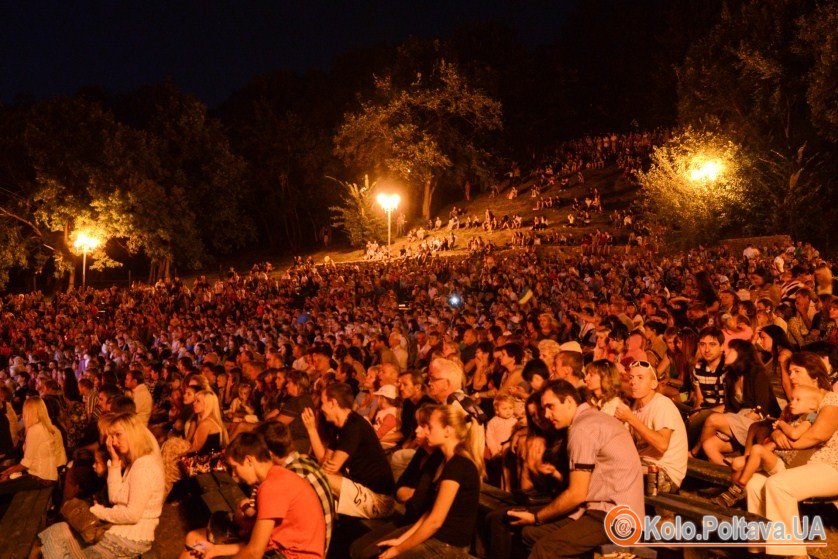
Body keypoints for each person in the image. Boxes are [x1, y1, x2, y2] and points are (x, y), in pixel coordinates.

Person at [489, 380, 644, 559]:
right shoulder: (591, 418)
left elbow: (577, 493)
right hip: (599, 509)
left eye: (550, 407)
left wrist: (537, 517)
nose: (546, 414)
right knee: (530, 535)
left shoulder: (582, 428)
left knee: (544, 550)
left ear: (569, 401)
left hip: (614, 517)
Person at [358, 404, 483, 559]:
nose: (424, 432)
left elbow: (435, 521)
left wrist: (399, 550)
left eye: (429, 427)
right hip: (436, 536)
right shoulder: (446, 461)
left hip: (447, 544)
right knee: (373, 551)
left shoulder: (459, 465)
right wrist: (401, 541)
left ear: (448, 431)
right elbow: (428, 513)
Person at [181, 431, 326, 559]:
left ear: (249, 460)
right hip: (282, 553)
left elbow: (254, 552)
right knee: (196, 547)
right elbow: (259, 544)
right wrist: (215, 550)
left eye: (235, 468)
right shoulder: (279, 477)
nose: (234, 475)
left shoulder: (272, 486)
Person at [40, 412, 165, 559]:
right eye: (111, 437)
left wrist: (100, 512)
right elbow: (114, 498)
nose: (113, 442)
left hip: (131, 538)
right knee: (56, 531)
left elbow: (132, 515)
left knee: (57, 543)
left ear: (133, 433)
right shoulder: (135, 462)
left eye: (118, 435)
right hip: (122, 531)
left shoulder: (144, 466)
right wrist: (115, 460)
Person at [745, 383, 838, 559]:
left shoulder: (831, 402)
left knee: (778, 485)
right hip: (811, 464)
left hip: (832, 464)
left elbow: (813, 436)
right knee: (755, 483)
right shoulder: (804, 404)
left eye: (796, 371)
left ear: (813, 377)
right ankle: (761, 550)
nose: (791, 377)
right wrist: (777, 433)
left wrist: (783, 436)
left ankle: (795, 554)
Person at [714, 385, 823, 507]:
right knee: (737, 464)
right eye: (792, 399)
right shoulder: (793, 416)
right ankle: (733, 497)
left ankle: (740, 486)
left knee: (757, 449)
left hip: (788, 465)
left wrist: (781, 424)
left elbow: (794, 433)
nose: (792, 403)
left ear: (812, 405)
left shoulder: (811, 416)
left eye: (798, 400)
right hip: (776, 458)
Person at [302, 382, 395, 519]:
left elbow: (328, 471)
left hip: (378, 499)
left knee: (314, 477)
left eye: (322, 403)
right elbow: (324, 462)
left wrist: (322, 467)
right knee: (305, 460)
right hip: (358, 487)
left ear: (332, 403)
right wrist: (311, 429)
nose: (321, 408)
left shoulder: (353, 426)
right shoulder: (339, 426)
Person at [692, 339, 781, 463]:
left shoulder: (756, 373)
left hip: (760, 423)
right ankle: (729, 474)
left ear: (741, 353)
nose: (725, 352)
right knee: (709, 445)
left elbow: (764, 406)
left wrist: (751, 413)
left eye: (730, 350)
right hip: (739, 419)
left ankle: (695, 453)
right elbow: (730, 407)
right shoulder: (731, 376)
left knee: (713, 419)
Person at [615, 361, 689, 493]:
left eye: (640, 378)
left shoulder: (662, 405)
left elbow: (662, 445)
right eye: (631, 377)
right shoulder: (636, 405)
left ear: (653, 384)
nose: (633, 382)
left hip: (665, 472)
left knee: (616, 478)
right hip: (642, 465)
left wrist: (631, 419)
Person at [0, 396, 67, 493]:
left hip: (41, 478)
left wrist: (7, 472)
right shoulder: (46, 426)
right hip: (47, 475)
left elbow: (27, 462)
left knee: (4, 487)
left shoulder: (35, 429)